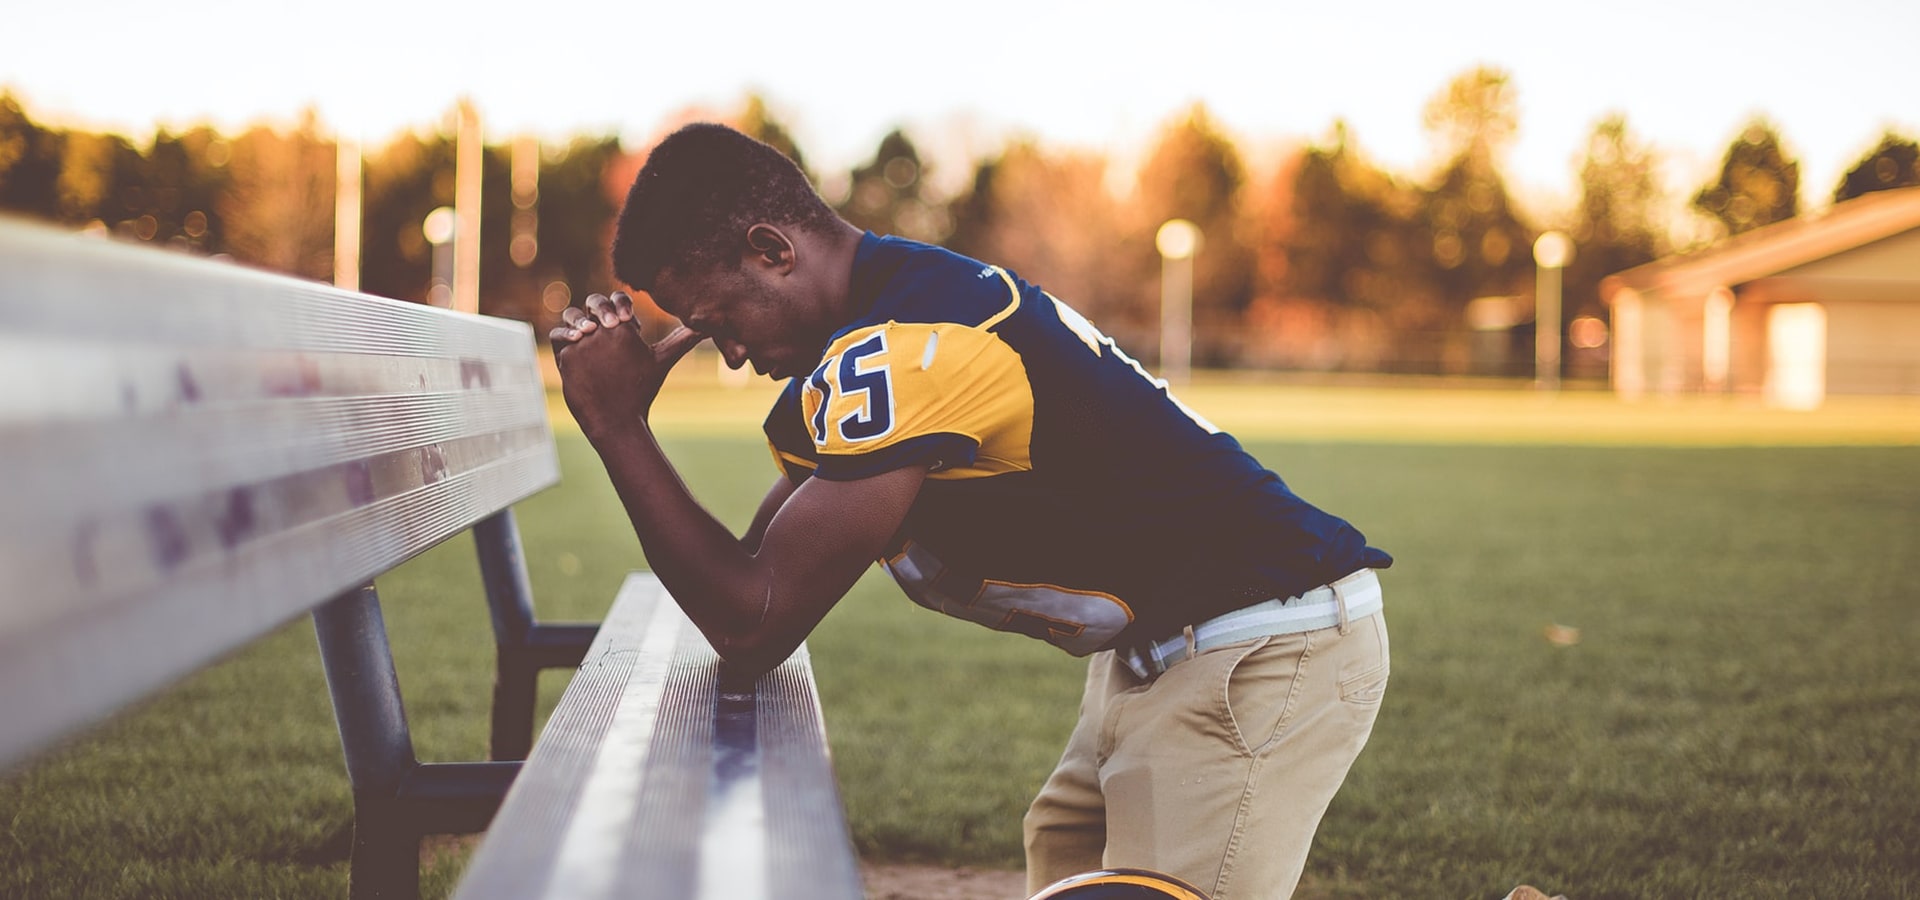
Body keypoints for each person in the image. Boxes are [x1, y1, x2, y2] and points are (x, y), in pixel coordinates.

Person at [550, 122, 1392, 900]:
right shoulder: (890, 313)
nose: (729, 352)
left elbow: (754, 620)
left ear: (772, 249)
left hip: (1259, 646)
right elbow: (748, 578)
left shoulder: (911, 345)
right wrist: (623, 426)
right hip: (1165, 648)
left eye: (718, 319)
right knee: (1069, 862)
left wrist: (619, 428)